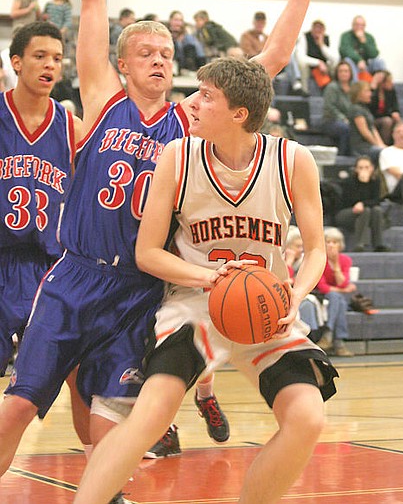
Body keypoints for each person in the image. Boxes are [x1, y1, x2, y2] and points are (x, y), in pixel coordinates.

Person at [0, 0, 345, 501]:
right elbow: (92, 0)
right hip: (77, 274)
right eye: (145, 53)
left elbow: (268, 62)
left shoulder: (190, 123)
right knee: (19, 408)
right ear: (122, 64)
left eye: (166, 53)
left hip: (141, 288)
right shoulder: (102, 98)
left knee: (112, 428)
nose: (159, 60)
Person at [73, 57, 340, 504]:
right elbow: (147, 253)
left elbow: (315, 250)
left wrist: (296, 294)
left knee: (307, 419)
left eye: (206, 96)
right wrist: (209, 277)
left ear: (239, 114)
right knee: (151, 416)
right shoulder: (178, 156)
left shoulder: (293, 160)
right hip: (195, 303)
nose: (192, 103)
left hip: (265, 309)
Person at [0, 20, 91, 454]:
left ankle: (103, 475)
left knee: (80, 374)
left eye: (57, 58)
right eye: (40, 56)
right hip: (2, 262)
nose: (50, 65)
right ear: (16, 62)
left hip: (51, 270)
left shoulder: (72, 127)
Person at [335, 156, 390, 252]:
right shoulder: (349, 181)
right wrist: (362, 184)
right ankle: (360, 243)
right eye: (360, 168)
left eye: (366, 167)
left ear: (372, 168)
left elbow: (377, 200)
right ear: (356, 169)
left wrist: (363, 203)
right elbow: (348, 202)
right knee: (366, 210)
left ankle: (378, 244)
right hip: (346, 213)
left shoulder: (375, 181)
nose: (363, 170)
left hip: (366, 212)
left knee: (376, 210)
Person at [315, 227, 356, 357]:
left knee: (338, 300)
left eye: (335, 242)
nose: (331, 245)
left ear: (340, 245)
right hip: (319, 295)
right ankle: (339, 344)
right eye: (328, 242)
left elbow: (342, 282)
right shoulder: (319, 259)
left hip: (335, 298)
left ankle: (328, 334)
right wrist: (343, 290)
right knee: (337, 298)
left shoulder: (345, 260)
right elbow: (323, 287)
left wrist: (336, 265)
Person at [295, 19, 337, 94]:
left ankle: (334, 90)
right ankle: (305, 91)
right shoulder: (304, 37)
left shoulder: (328, 38)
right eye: (316, 28)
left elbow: (335, 58)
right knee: (303, 65)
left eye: (320, 28)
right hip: (310, 66)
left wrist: (321, 45)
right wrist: (318, 63)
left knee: (336, 65)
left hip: (325, 67)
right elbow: (301, 58)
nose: (317, 30)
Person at [339, 15, 387, 81]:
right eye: (357, 25)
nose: (359, 27)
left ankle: (377, 85)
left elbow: (374, 54)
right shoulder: (346, 36)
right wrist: (359, 60)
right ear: (352, 25)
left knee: (380, 61)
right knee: (347, 60)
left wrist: (364, 41)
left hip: (366, 65)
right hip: (353, 65)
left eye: (362, 25)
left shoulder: (369, 37)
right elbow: (344, 51)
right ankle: (355, 85)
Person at [322, 60, 354, 156]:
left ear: (350, 73)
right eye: (341, 71)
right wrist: (343, 118)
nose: (344, 73)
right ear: (337, 73)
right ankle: (342, 155)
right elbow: (330, 107)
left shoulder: (354, 87)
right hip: (331, 121)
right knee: (345, 128)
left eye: (346, 71)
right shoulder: (332, 87)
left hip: (350, 119)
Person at [348, 80, 386, 161]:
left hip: (371, 145)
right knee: (384, 153)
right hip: (361, 147)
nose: (370, 94)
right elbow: (365, 132)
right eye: (367, 91)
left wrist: (381, 144)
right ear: (358, 94)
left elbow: (372, 128)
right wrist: (377, 145)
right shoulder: (356, 109)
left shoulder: (365, 109)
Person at [167, 10, 206, 75]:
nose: (178, 23)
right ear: (170, 21)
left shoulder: (187, 35)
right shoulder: (165, 32)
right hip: (172, 61)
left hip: (186, 62)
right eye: (176, 20)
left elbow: (199, 50)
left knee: (190, 40)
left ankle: (196, 69)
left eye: (180, 20)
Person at [369, 70, 401, 145]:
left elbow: (395, 105)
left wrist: (395, 112)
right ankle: (384, 145)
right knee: (387, 121)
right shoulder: (373, 92)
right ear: (382, 83)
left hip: (387, 116)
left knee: (401, 124)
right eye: (389, 82)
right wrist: (373, 87)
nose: (391, 83)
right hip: (374, 118)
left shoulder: (391, 91)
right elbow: (370, 106)